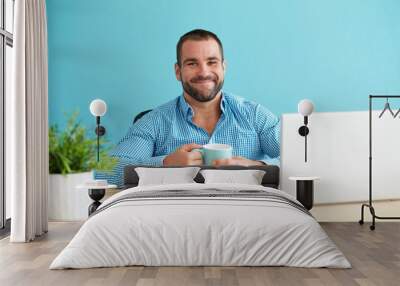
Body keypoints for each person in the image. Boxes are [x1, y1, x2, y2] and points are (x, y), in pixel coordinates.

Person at [96, 29, 280, 187]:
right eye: (192, 63)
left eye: (212, 62)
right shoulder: (154, 121)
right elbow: (104, 172)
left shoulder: (255, 115)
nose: (204, 72)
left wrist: (257, 166)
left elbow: (300, 162)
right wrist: (165, 163)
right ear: (178, 71)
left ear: (224, 67)